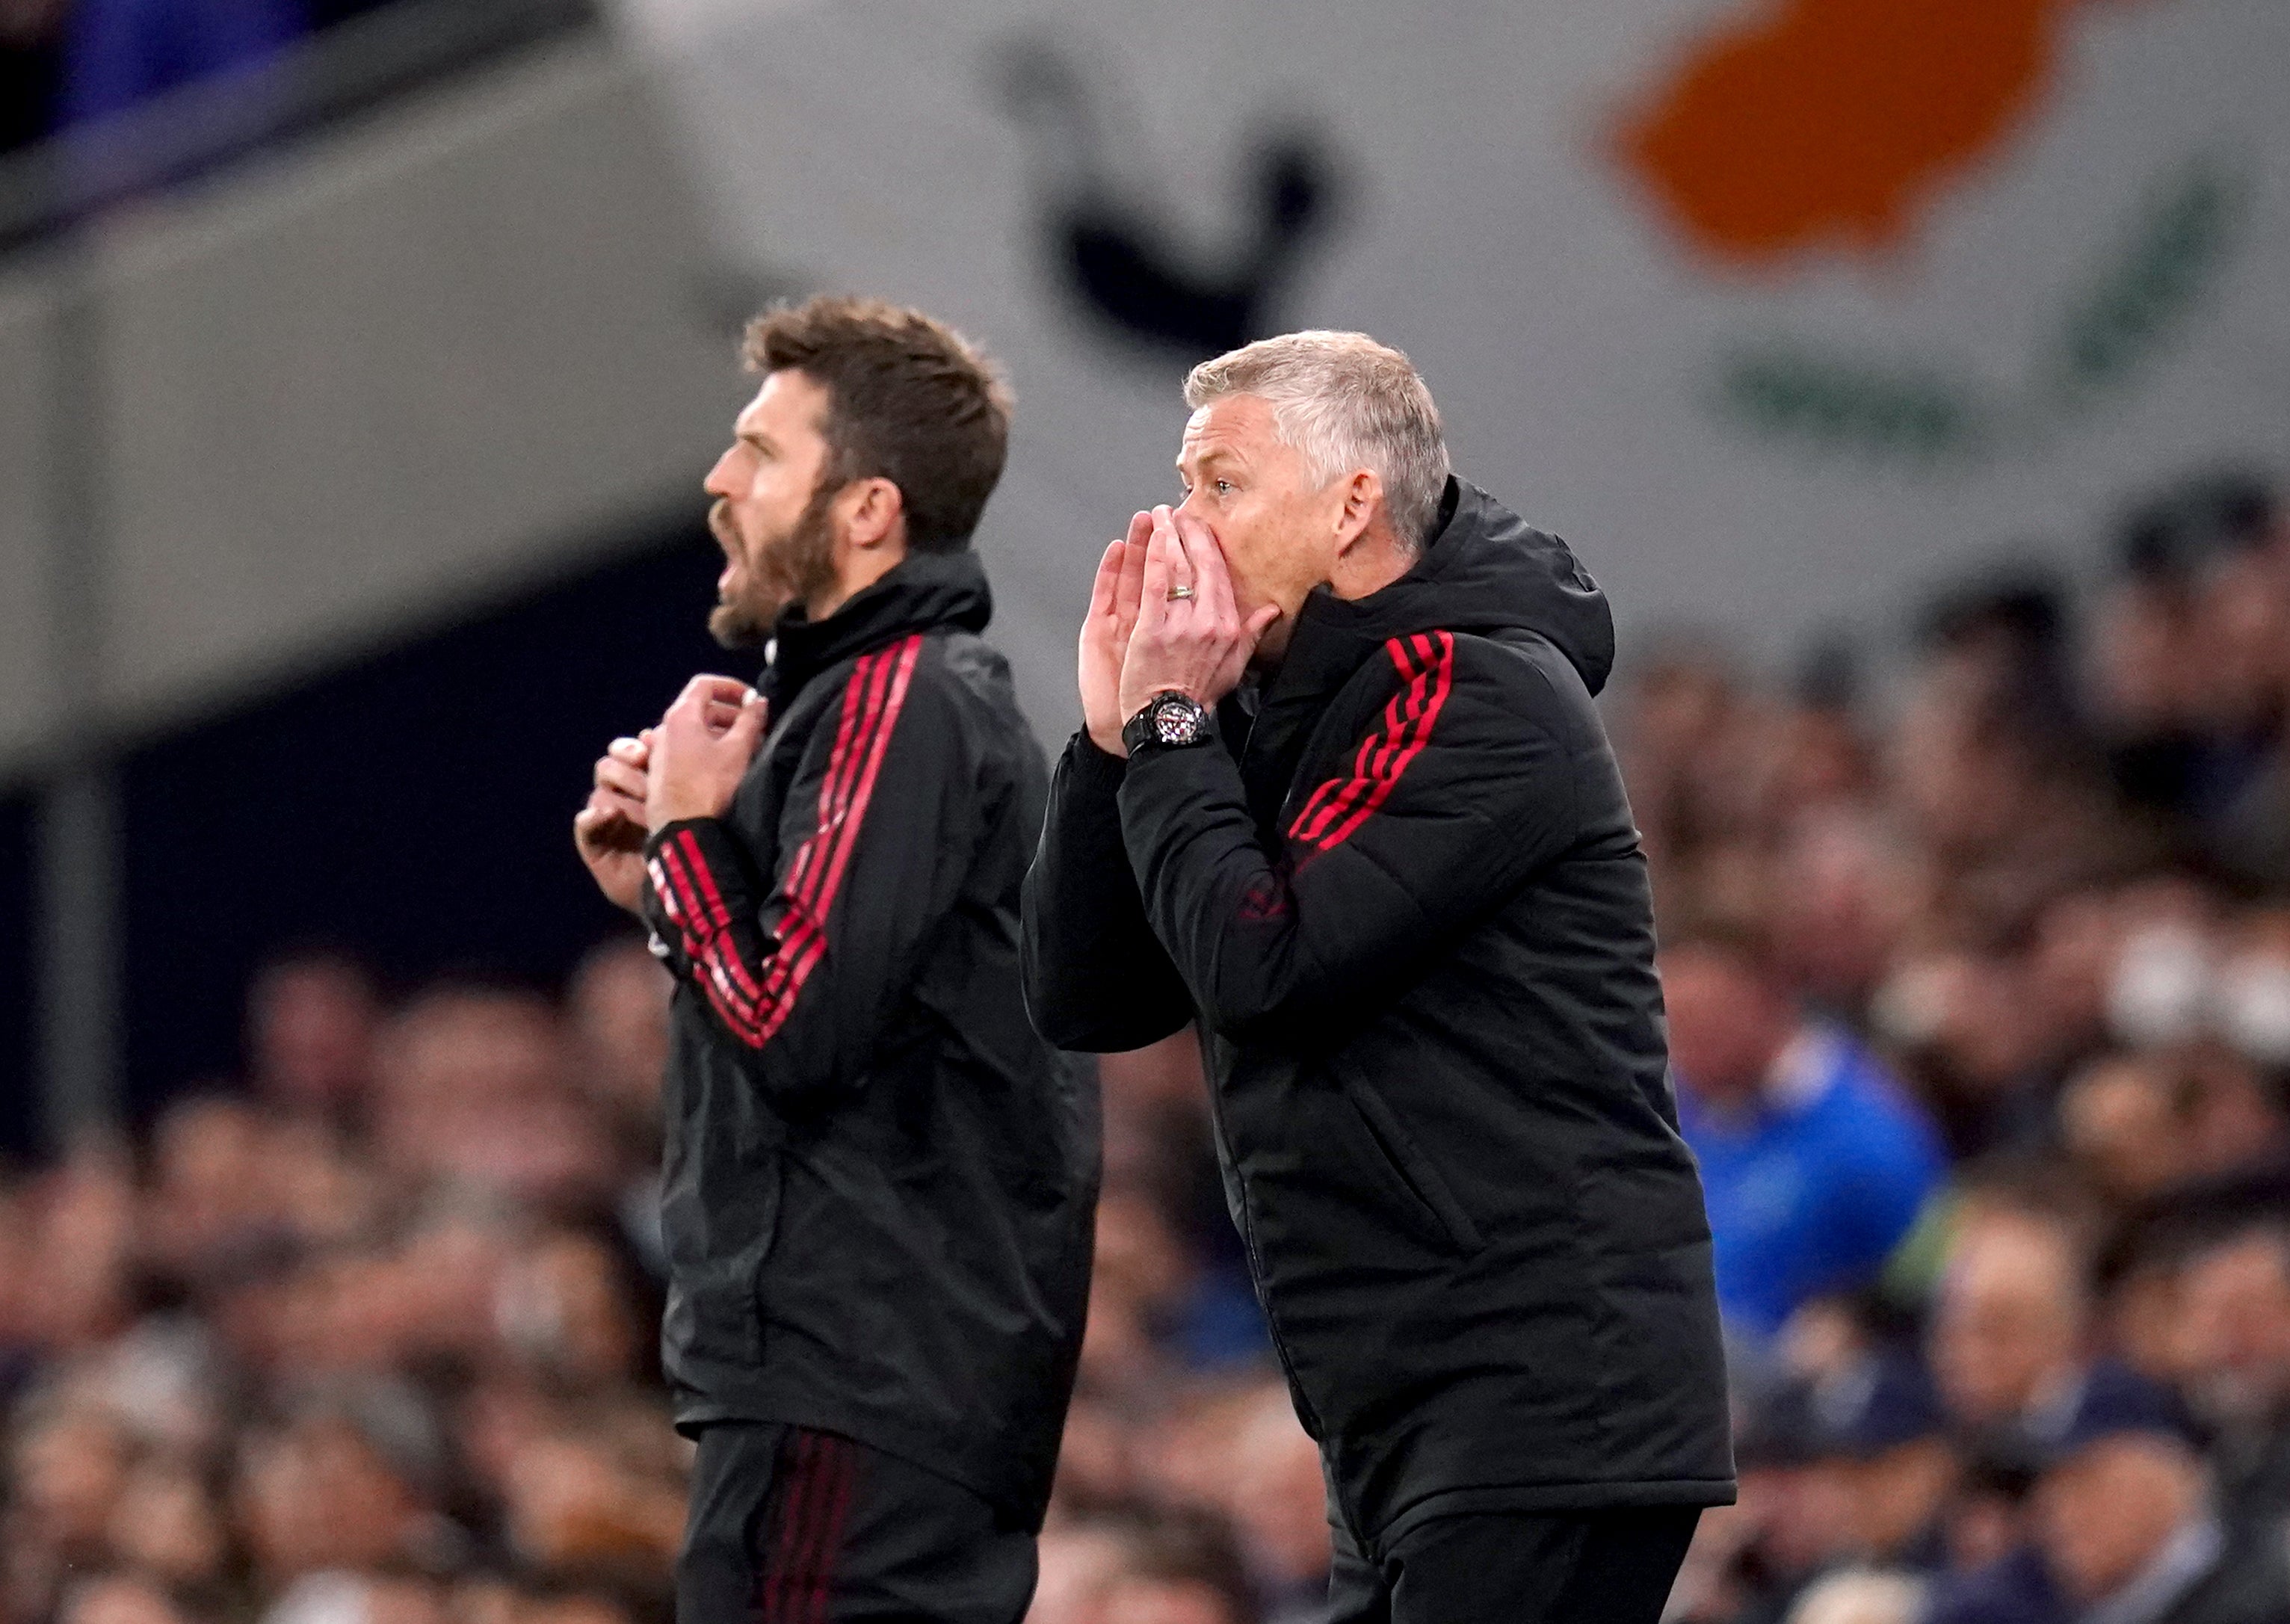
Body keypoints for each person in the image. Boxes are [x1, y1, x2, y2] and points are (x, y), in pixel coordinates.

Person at [1022, 330, 1734, 1623]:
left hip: (1536, 1387)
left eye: (1220, 484)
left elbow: (1260, 965)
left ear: (1351, 504)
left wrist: (1178, 722)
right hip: (1391, 1411)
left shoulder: (1470, 683)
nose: (1184, 524)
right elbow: (1093, 996)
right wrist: (1116, 742)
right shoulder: (1268, 709)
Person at [572, 295, 1098, 1623]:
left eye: (759, 450)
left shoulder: (895, 695)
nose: (717, 480)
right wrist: (675, 887)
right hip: (882, 1387)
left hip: (855, 1382)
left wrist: (692, 833)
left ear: (865, 509)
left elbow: (795, 1028)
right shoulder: (876, 700)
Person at [1660, 929, 1945, 1340]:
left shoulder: (1869, 1138)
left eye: (1704, 1020)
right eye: (1673, 1024)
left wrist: (1858, 1324)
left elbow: (1923, 1281)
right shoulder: (1682, 1110)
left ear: (1770, 1000)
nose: (1682, 1049)